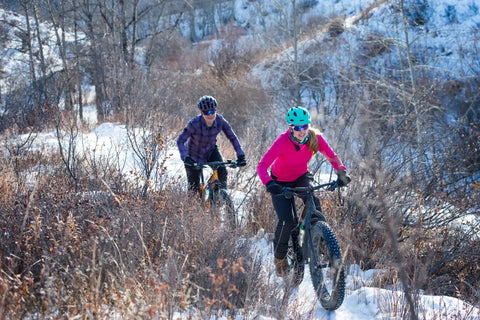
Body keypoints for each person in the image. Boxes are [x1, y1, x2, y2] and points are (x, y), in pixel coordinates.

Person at [257, 106, 351, 277]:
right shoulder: (282, 142)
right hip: (280, 182)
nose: (302, 131)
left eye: (305, 126)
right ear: (291, 127)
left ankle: (316, 239)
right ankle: (280, 258)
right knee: (286, 222)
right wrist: (270, 183)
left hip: (301, 177)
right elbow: (262, 166)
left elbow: (332, 156)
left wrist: (341, 172)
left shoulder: (315, 139)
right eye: (298, 127)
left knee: (314, 204)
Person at [177, 95, 247, 194]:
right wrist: (185, 158)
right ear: (202, 113)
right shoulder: (194, 123)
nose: (210, 115)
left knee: (222, 171)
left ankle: (219, 197)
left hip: (210, 151)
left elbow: (232, 137)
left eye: (212, 111)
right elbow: (180, 141)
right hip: (192, 155)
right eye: (206, 112)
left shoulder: (220, 120)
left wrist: (241, 155)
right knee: (194, 191)